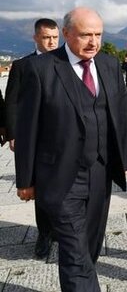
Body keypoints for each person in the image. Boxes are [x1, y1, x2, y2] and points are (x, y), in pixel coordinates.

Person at [15, 8, 127, 291]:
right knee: (75, 253)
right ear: (66, 34)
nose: (93, 42)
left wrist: (123, 160)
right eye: (85, 35)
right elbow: (27, 128)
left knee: (89, 246)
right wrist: (26, 180)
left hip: (100, 173)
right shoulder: (40, 69)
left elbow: (118, 115)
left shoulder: (109, 65)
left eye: (98, 35)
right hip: (60, 176)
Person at [5, 18, 59, 259]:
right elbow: (12, 102)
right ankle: (45, 234)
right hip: (36, 139)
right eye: (47, 37)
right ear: (36, 37)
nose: (51, 42)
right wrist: (14, 133)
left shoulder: (67, 63)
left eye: (55, 37)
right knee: (42, 187)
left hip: (63, 136)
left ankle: (65, 229)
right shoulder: (22, 65)